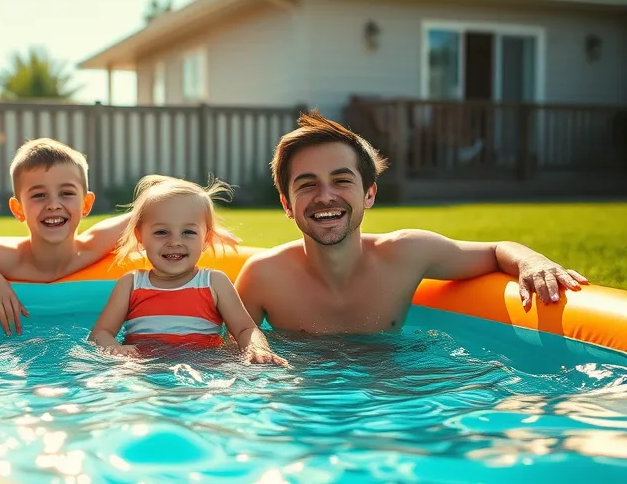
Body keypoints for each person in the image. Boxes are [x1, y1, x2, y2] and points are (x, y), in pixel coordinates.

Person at [235, 112, 588, 335]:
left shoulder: (407, 254)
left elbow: (496, 251)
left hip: (392, 394)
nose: (325, 196)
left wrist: (532, 261)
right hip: (303, 404)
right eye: (307, 184)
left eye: (342, 180)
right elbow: (231, 357)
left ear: (369, 194)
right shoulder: (264, 276)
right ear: (286, 204)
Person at [0, 137, 130, 334]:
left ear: (86, 204)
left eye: (66, 193)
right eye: (39, 195)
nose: (54, 205)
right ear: (17, 209)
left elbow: (147, 208)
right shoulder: (10, 258)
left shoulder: (94, 245)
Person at [90, 175, 286, 364]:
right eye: (161, 232)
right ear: (140, 236)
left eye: (188, 232)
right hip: (142, 368)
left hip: (204, 367)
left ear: (206, 239)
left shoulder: (214, 282)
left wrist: (258, 349)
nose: (174, 242)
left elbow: (245, 329)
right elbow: (101, 333)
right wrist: (115, 349)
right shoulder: (131, 284)